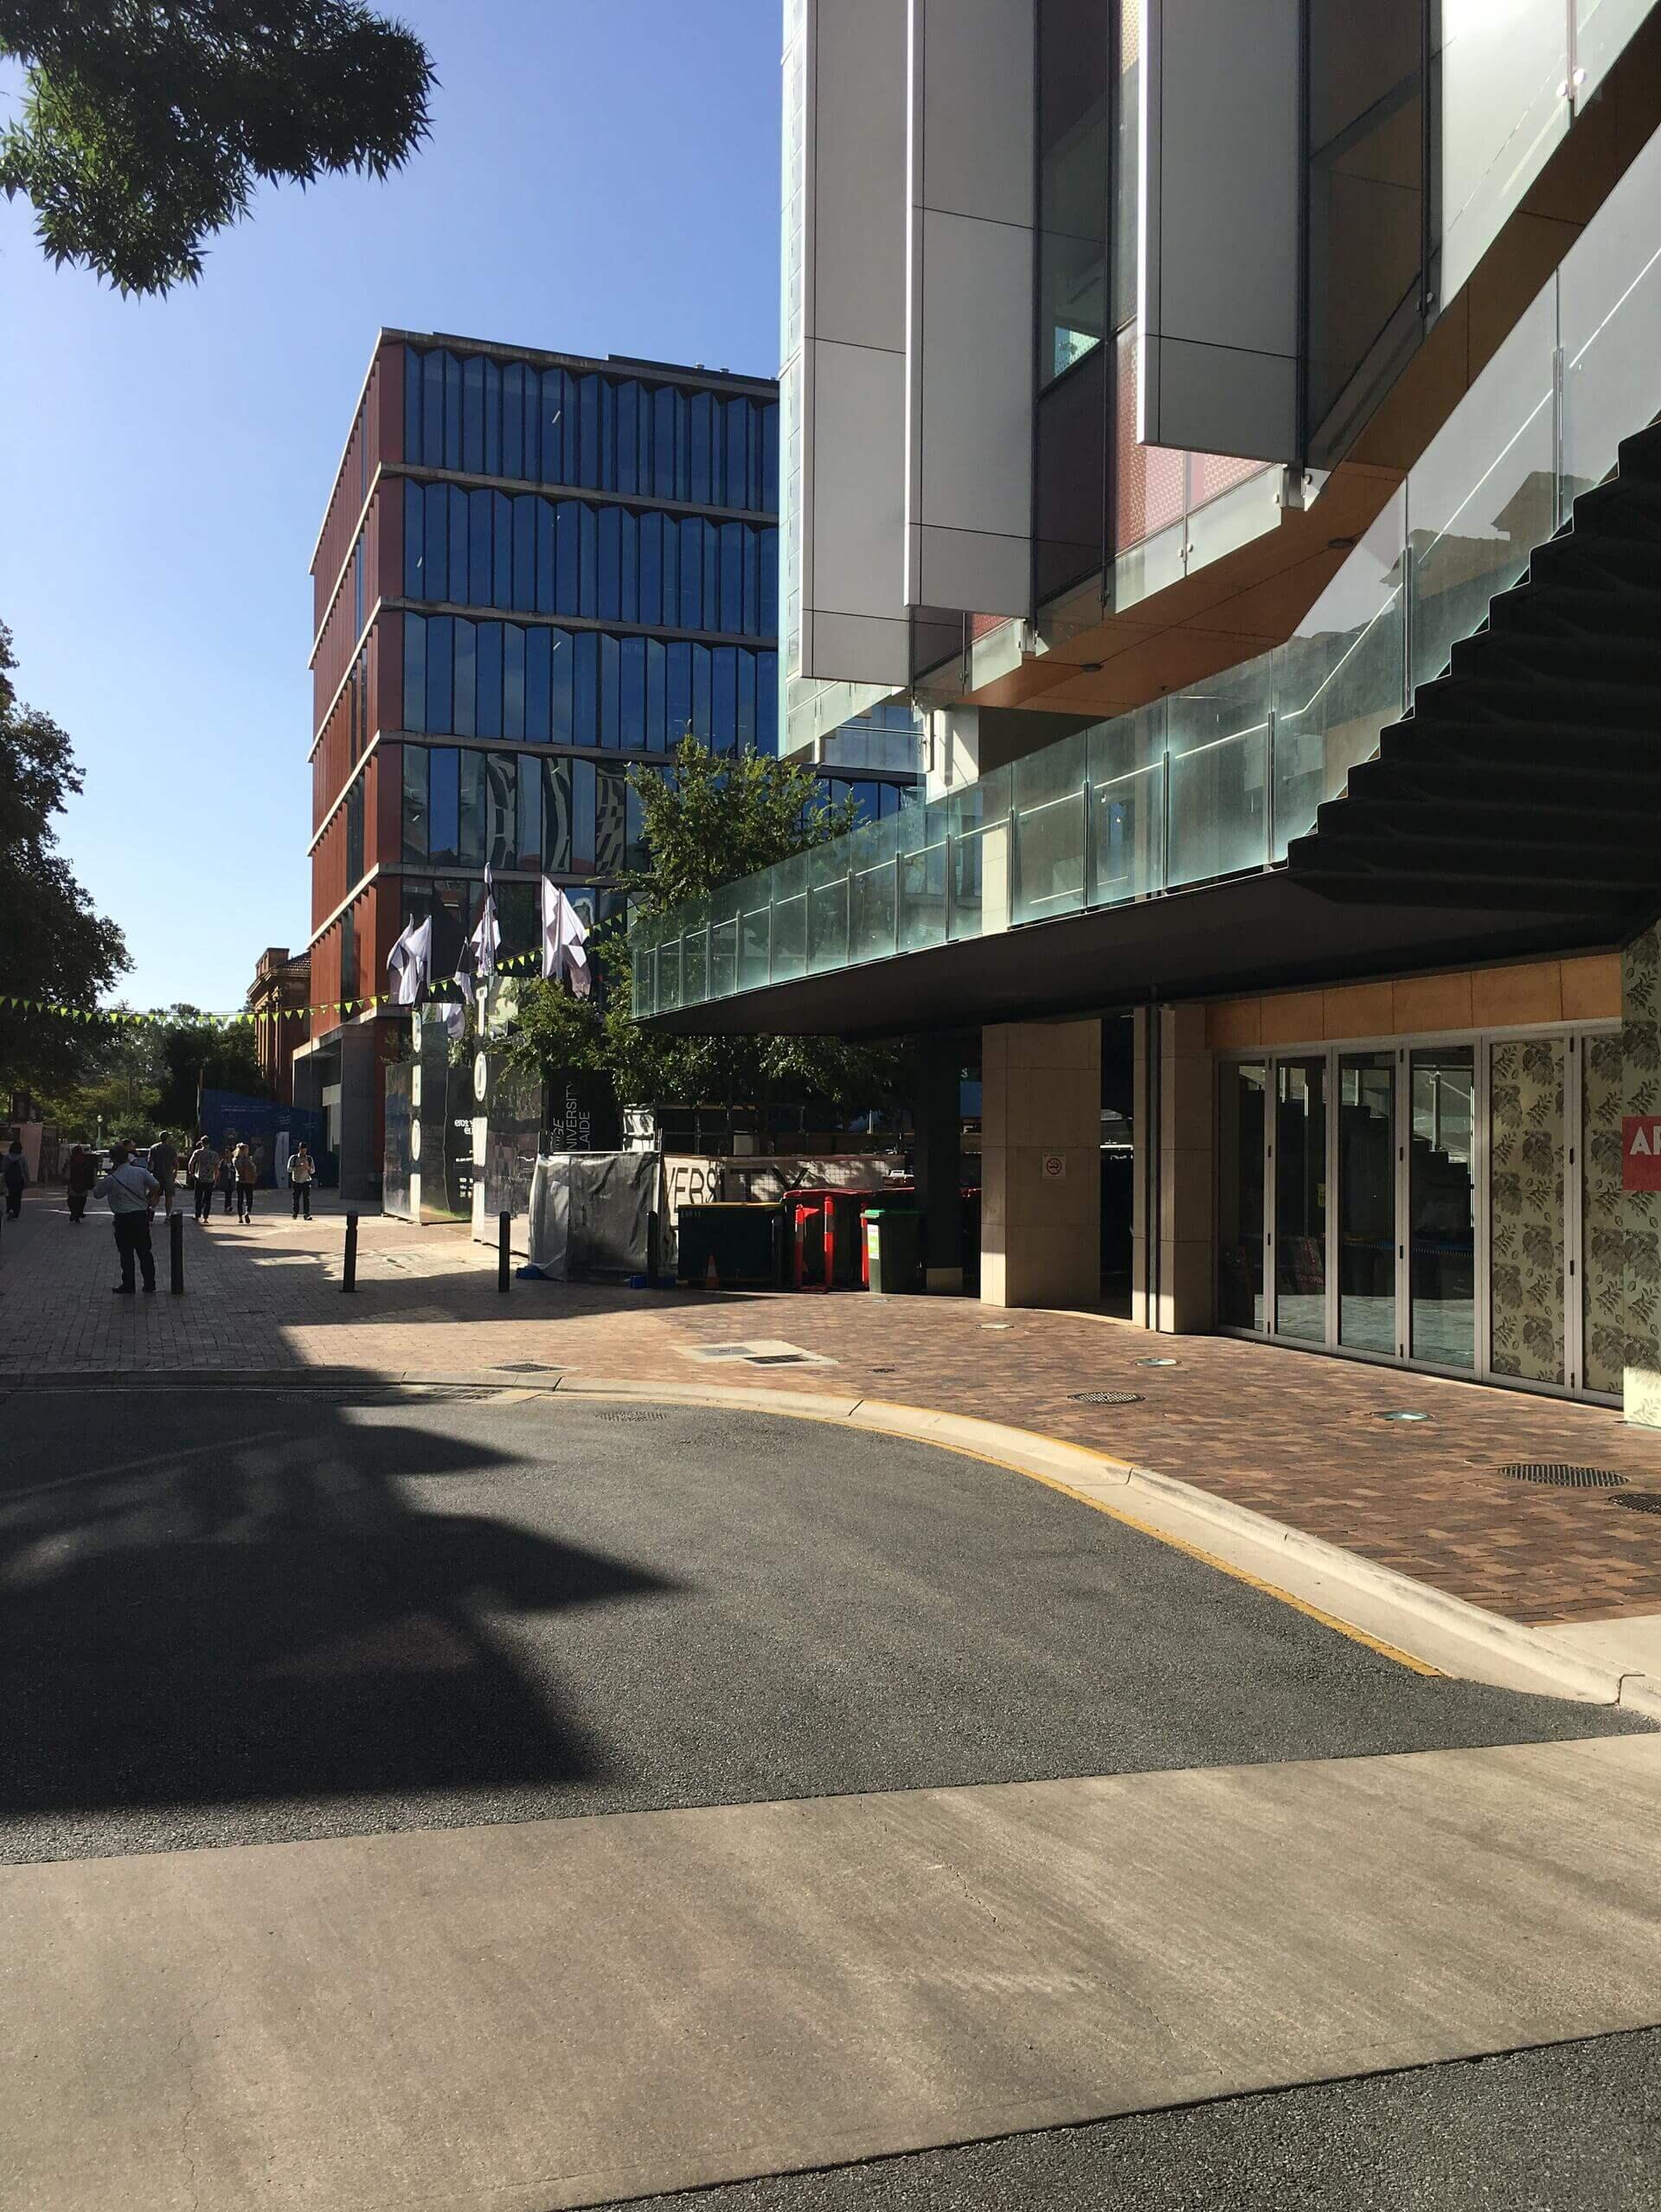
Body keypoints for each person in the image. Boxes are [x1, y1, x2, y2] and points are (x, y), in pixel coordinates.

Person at [94, 1140, 159, 1293]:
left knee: (126, 1253)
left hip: (122, 1219)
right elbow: (156, 1185)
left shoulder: (112, 1179)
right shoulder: (140, 1172)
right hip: (140, 1216)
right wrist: (151, 1198)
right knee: (144, 1251)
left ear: (114, 1160)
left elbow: (97, 1194)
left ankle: (129, 1284)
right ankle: (150, 1284)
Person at [187, 1135, 220, 1223]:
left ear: (202, 1143)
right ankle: (206, 1217)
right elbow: (217, 1168)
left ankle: (197, 1215)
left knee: (198, 1197)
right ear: (209, 1143)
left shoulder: (198, 1152)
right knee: (208, 1198)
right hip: (210, 1179)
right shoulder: (214, 1154)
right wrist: (215, 1178)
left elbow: (191, 1163)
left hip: (199, 1178)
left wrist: (191, 1173)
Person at [148, 1130, 179, 1217]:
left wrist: (149, 1172)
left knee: (156, 1195)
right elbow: (176, 1162)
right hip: (168, 1175)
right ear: (167, 1138)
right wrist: (176, 1171)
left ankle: (151, 1210)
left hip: (157, 1175)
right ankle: (168, 1216)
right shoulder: (171, 1149)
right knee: (169, 1196)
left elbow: (150, 1162)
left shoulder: (153, 1148)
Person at [65, 1144, 95, 1223]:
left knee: (71, 1199)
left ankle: (74, 1213)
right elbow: (90, 1172)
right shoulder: (86, 1160)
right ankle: (79, 1213)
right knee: (82, 1200)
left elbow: (67, 1172)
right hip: (84, 1184)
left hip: (73, 1183)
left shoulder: (71, 1160)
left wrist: (66, 1180)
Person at [286, 1141, 316, 1221]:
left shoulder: (309, 1159)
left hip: (306, 1181)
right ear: (299, 1149)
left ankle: (306, 1214)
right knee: (296, 1198)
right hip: (296, 1181)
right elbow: (289, 1169)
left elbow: (313, 1171)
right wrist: (299, 1167)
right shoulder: (294, 1158)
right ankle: (295, 1213)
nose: (303, 1152)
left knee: (306, 1198)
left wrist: (308, 1168)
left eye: (305, 1150)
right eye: (302, 1150)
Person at [232, 1140, 258, 1222]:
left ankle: (240, 1217)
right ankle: (247, 1212)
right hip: (249, 1181)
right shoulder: (248, 1160)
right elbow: (254, 1168)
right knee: (249, 1198)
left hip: (239, 1180)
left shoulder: (235, 1160)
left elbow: (237, 1169)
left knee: (240, 1199)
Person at [2, 1139, 28, 1221]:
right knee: (17, 1197)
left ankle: (9, 1209)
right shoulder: (22, 1158)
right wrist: (27, 1180)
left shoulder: (6, 1157)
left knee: (9, 1196)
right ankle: (15, 1214)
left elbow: (3, 1168)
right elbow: (26, 1170)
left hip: (8, 1181)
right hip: (19, 1181)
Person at [215, 1146, 236, 1215]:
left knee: (230, 1193)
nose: (227, 1154)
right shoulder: (223, 1162)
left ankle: (228, 1206)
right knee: (227, 1193)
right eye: (226, 1152)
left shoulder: (233, 1161)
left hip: (232, 1180)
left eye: (228, 1152)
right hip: (225, 1180)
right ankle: (227, 1206)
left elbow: (236, 1170)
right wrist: (217, 1179)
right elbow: (219, 1171)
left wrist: (232, 1170)